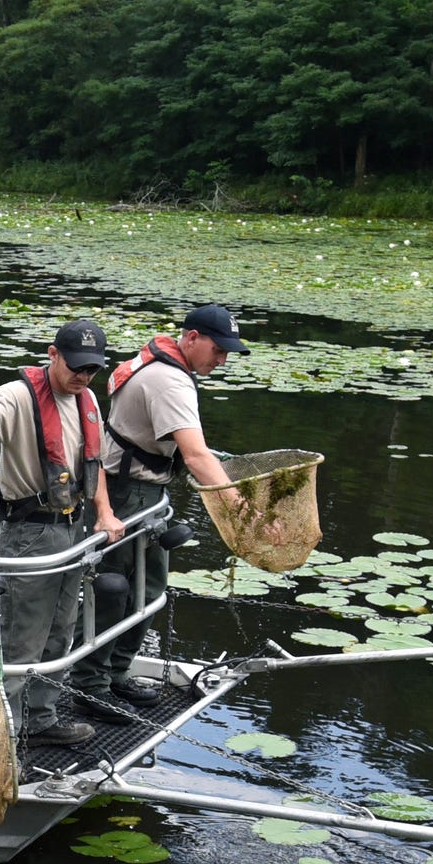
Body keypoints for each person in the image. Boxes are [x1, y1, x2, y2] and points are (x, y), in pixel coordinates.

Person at [0, 322, 127, 749]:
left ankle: (40, 718)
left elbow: (95, 463)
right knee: (22, 638)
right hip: (31, 533)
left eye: (91, 370)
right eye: (75, 367)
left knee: (60, 631)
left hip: (74, 530)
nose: (83, 377)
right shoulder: (16, 397)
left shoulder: (87, 400)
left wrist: (104, 512)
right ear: (53, 354)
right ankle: (0, 733)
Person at [69, 304, 247, 718]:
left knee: (148, 591)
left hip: (148, 493)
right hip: (124, 494)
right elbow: (197, 457)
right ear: (191, 338)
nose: (222, 359)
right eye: (218, 349)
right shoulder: (169, 381)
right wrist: (239, 510)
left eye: (227, 352)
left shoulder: (163, 363)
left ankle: (116, 673)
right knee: (112, 592)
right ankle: (90, 686)